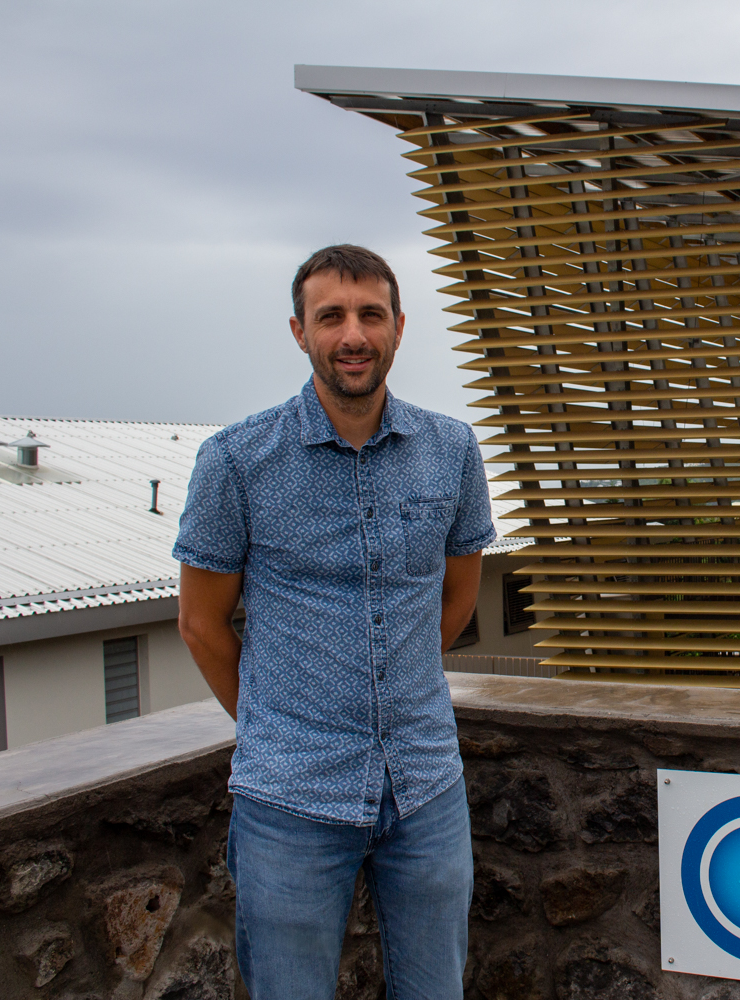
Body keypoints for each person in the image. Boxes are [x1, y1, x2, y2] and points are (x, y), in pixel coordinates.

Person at [174, 244, 494, 999]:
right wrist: (276, 727)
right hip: (289, 799)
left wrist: (396, 684)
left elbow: (455, 601)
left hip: (425, 788)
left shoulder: (451, 451)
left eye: (370, 315)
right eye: (332, 317)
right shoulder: (236, 461)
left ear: (398, 328)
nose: (353, 334)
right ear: (299, 332)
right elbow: (201, 623)